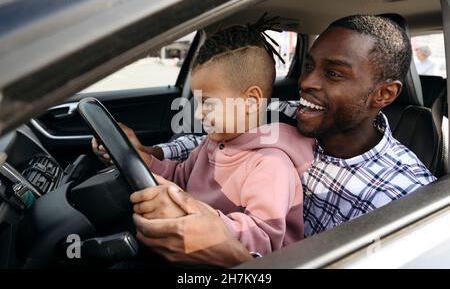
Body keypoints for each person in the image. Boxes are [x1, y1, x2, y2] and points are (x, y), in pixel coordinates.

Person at [93, 14, 437, 267]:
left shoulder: (407, 198)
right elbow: (211, 142)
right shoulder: (286, 112)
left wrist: (232, 255)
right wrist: (148, 154)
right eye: (308, 66)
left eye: (332, 73)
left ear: (384, 94)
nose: (306, 83)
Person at [96, 22, 315, 255]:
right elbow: (181, 176)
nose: (199, 114)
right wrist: (144, 161)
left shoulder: (270, 164)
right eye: (197, 101)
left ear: (251, 101)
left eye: (207, 102)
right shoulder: (212, 143)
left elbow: (262, 242)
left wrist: (195, 215)